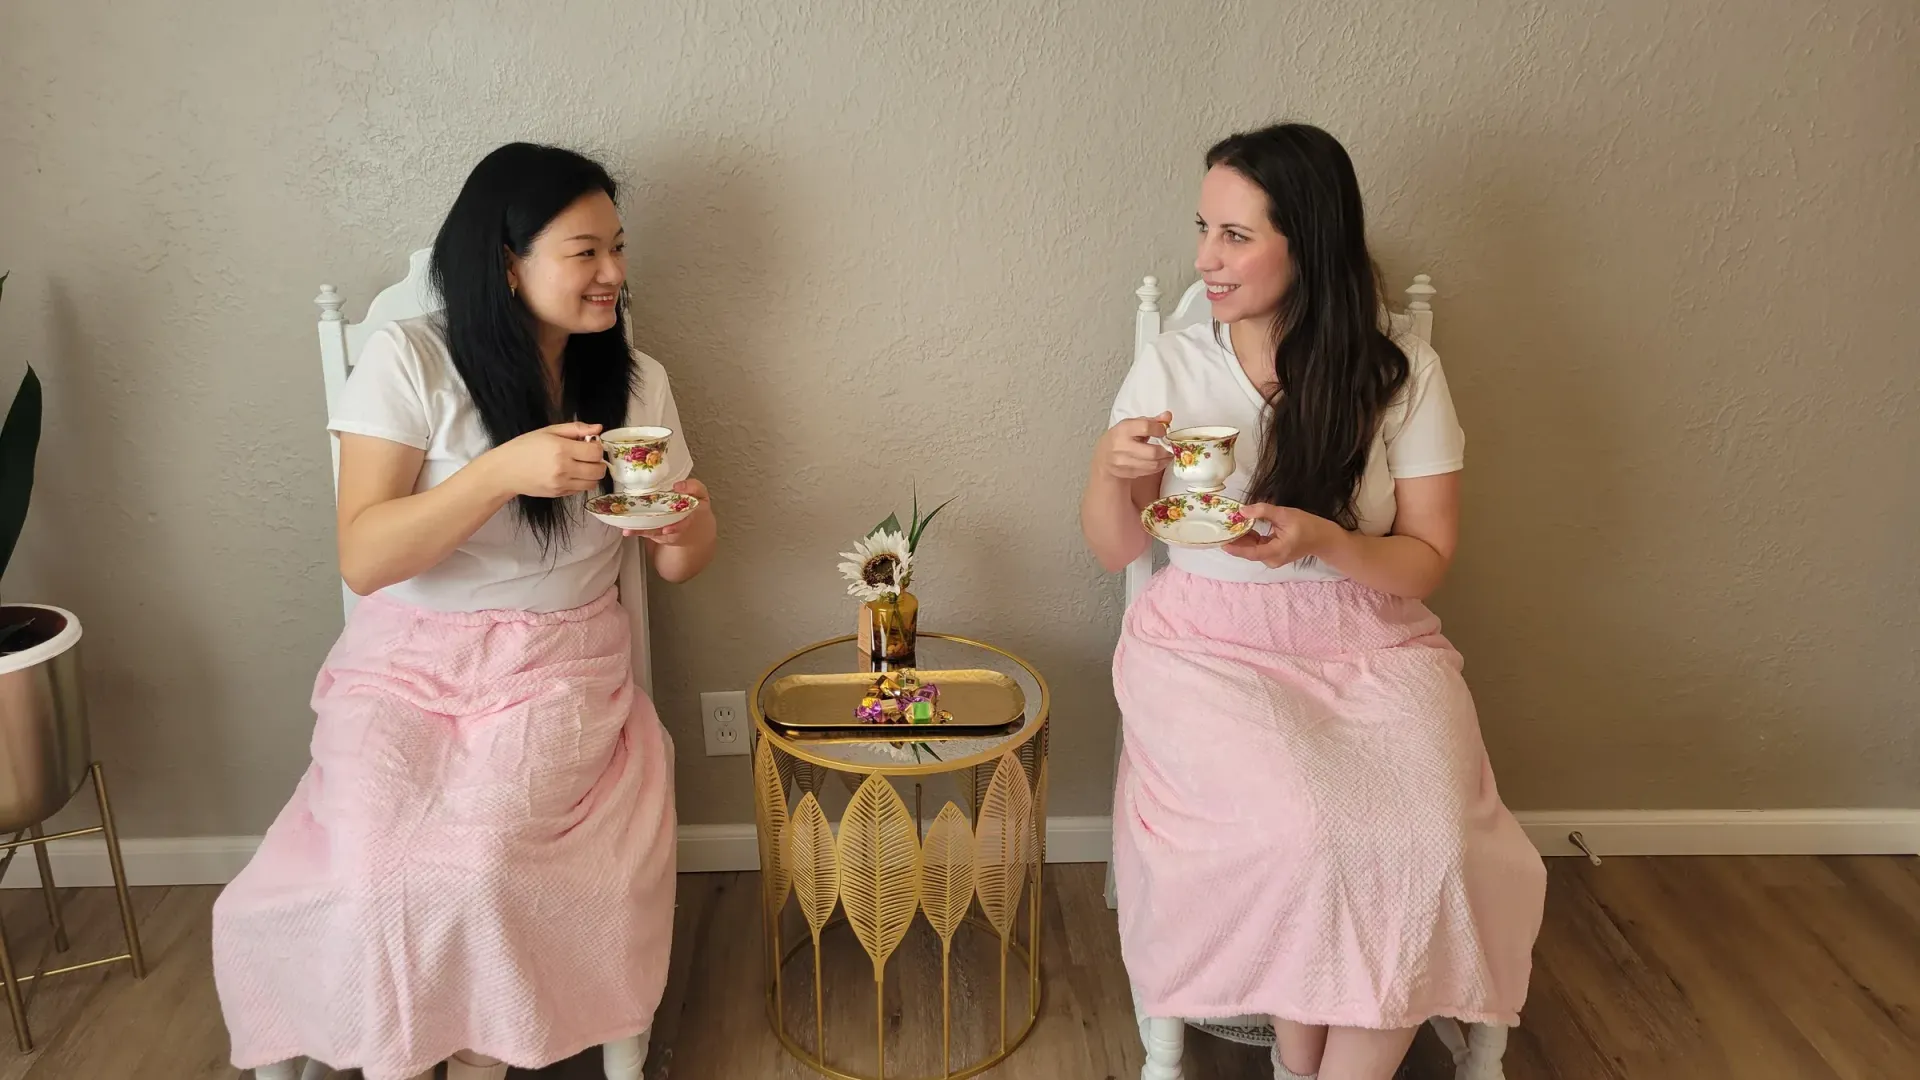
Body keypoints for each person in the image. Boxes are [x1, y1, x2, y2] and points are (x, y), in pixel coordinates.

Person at [213, 143, 716, 1080]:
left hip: (559, 665)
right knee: (374, 863)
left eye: (618, 247)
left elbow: (687, 558)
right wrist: (498, 473)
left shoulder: (637, 382)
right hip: (402, 665)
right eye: (585, 251)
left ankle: (481, 1057)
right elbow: (365, 556)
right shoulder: (411, 359)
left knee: (479, 860)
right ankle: (401, 1051)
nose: (613, 273)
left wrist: (674, 525)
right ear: (505, 261)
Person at [1083, 123, 1545, 1080]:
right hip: (1206, 643)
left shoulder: (1398, 375)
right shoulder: (1174, 366)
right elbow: (1119, 547)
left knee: (1434, 839)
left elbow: (1426, 559)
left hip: (1374, 637)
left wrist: (1326, 541)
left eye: (1236, 236)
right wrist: (1107, 471)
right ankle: (1307, 1064)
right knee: (1304, 831)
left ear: (1311, 243)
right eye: (1203, 228)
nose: (1205, 258)